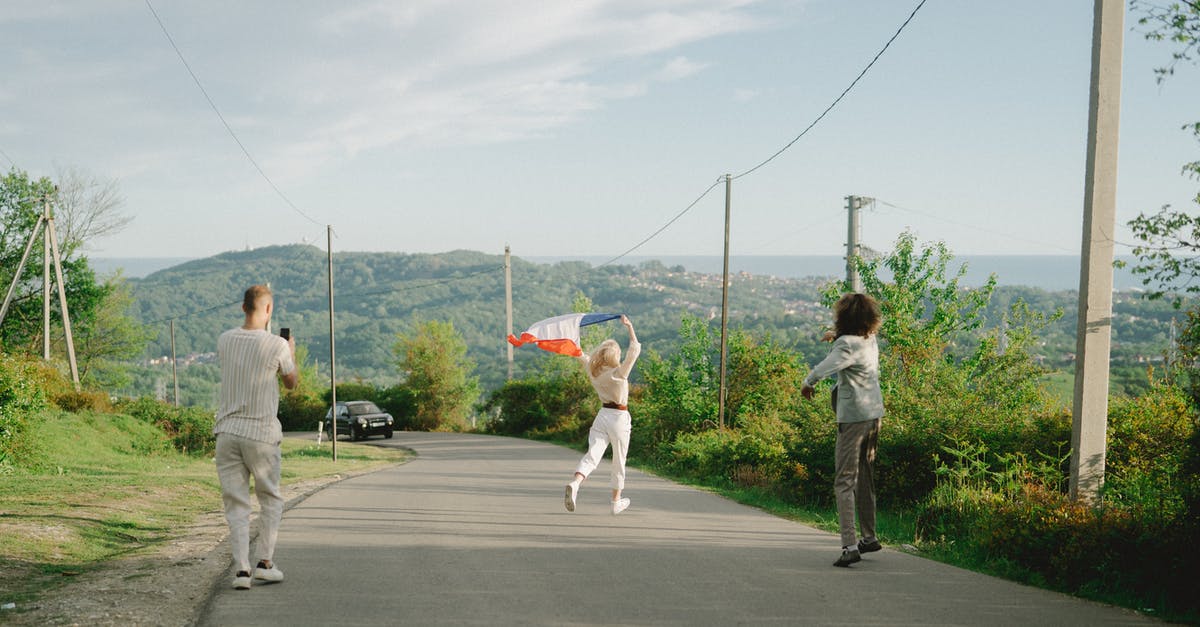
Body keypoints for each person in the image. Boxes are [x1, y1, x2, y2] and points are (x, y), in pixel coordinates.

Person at [214, 285, 298, 590]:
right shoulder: (276, 345)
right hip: (261, 434)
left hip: (227, 432)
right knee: (270, 498)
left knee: (236, 504)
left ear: (242, 307)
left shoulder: (224, 340)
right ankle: (265, 562)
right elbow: (291, 383)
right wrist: (291, 354)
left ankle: (241, 571)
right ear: (269, 309)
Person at [801, 293, 885, 567]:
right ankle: (869, 537)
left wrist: (808, 382)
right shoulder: (869, 340)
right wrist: (833, 336)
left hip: (853, 419)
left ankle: (849, 545)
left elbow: (827, 366)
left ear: (844, 317)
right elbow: (846, 342)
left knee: (844, 480)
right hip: (874, 415)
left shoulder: (846, 345)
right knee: (865, 477)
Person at [564, 315, 641, 515]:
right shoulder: (619, 372)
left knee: (593, 453)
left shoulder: (593, 371)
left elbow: (579, 353)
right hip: (619, 418)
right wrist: (629, 327)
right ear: (614, 356)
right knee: (619, 460)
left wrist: (571, 334)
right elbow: (635, 350)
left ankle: (576, 482)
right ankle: (616, 501)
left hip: (602, 415)